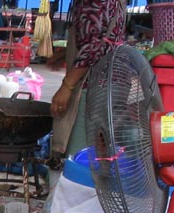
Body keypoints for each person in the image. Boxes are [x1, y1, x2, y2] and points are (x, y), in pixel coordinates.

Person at [50, 0, 126, 159]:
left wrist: (67, 86)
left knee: (79, 158)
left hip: (93, 85)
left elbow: (96, 45)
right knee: (95, 155)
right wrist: (65, 53)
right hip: (112, 83)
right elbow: (104, 36)